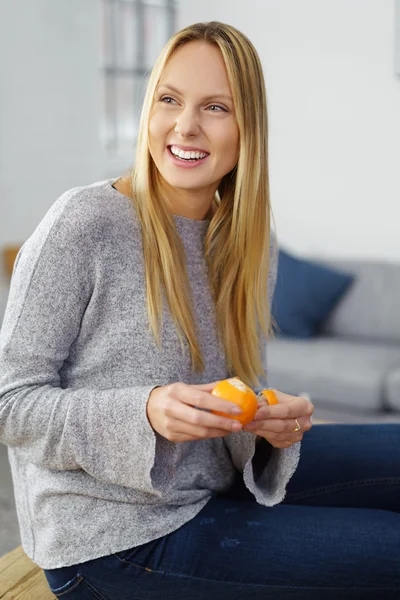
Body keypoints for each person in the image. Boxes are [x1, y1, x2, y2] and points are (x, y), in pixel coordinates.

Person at [0, 20, 398, 600]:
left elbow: (228, 397)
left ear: (247, 129)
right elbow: (11, 403)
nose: (185, 126)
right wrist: (145, 413)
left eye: (215, 106)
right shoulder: (83, 223)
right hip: (111, 542)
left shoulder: (244, 240)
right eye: (169, 99)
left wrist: (267, 421)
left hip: (214, 484)